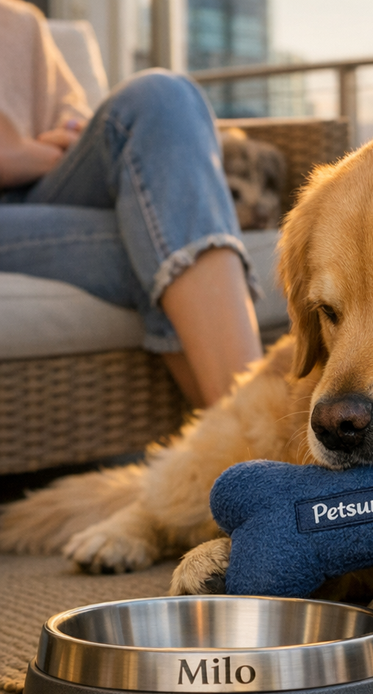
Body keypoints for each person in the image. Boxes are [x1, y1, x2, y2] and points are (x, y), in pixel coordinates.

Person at [0, 0, 263, 409]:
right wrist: (17, 156)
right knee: (158, 230)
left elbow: (75, 127)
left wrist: (35, 153)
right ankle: (258, 435)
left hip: (49, 192)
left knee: (163, 93)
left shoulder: (21, 23)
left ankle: (246, 443)